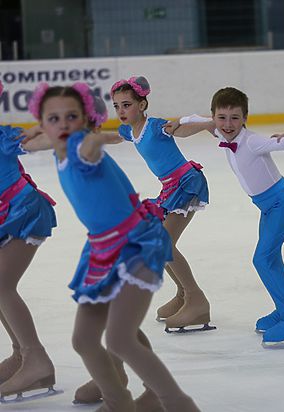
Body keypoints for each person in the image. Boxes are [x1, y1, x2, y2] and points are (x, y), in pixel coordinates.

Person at [29, 82, 200, 412]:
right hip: (101, 250)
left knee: (120, 338)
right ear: (42, 124)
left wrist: (97, 138)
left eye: (72, 117)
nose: (63, 124)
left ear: (86, 118)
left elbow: (93, 144)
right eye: (54, 118)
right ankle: (120, 401)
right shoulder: (56, 147)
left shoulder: (82, 147)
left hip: (135, 245)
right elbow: (34, 141)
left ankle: (177, 403)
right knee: (84, 340)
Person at [165, 87, 284, 347]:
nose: (227, 124)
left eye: (234, 118)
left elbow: (283, 143)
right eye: (221, 118)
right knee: (270, 259)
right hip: (267, 206)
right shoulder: (219, 129)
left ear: (244, 118)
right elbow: (198, 120)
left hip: (282, 203)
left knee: (263, 259)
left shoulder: (251, 141)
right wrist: (179, 121)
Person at [111, 76, 212, 329]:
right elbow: (114, 137)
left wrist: (207, 124)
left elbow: (180, 130)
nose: (121, 111)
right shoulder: (128, 130)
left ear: (142, 105)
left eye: (127, 104)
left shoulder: (156, 127)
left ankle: (196, 301)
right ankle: (183, 295)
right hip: (169, 188)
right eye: (117, 106)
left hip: (186, 183)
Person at [0, 80, 59, 402]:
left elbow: (38, 139)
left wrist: (62, 126)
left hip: (25, 210)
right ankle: (22, 355)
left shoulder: (3, 136)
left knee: (2, 286)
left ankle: (36, 360)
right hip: (6, 215)